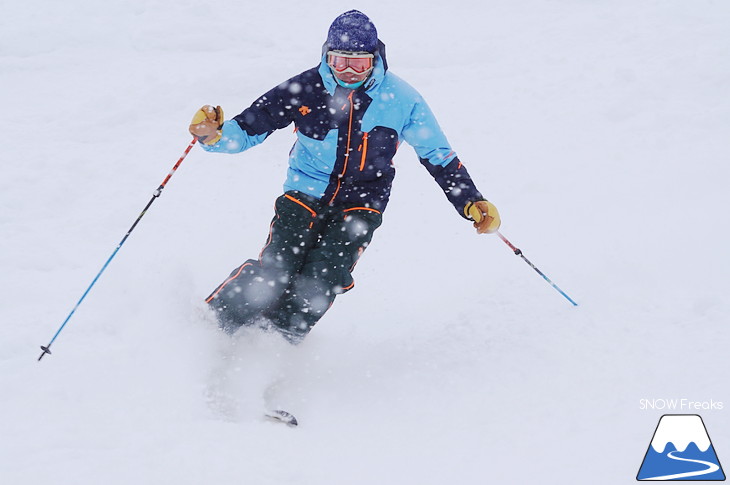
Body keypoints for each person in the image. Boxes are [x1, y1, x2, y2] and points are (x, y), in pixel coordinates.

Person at [189, 10, 501, 343]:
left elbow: (438, 155)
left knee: (321, 279)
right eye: (340, 62)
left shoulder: (403, 100)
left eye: (359, 63)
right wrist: (215, 136)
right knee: (278, 270)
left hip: (362, 203)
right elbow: (249, 127)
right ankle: (212, 326)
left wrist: (471, 200)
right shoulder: (304, 88)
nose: (349, 72)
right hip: (304, 192)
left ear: (376, 59)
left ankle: (275, 342)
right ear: (327, 56)